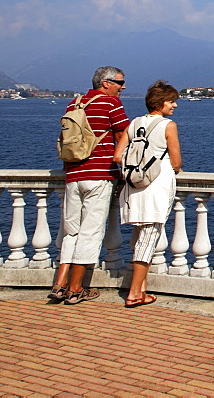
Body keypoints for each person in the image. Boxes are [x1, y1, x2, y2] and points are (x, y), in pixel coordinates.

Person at [50, 66, 130, 305]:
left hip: (73, 175)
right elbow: (123, 137)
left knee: (71, 231)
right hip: (99, 176)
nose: (123, 86)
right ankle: (76, 289)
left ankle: (59, 284)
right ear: (105, 83)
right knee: (90, 232)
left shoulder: (74, 104)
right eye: (119, 82)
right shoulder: (110, 104)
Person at [115, 80, 183, 308]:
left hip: (134, 186)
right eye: (171, 101)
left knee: (139, 237)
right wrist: (174, 167)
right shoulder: (168, 125)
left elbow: (118, 156)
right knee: (148, 238)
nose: (174, 106)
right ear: (160, 103)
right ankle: (134, 293)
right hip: (156, 186)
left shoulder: (133, 123)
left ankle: (142, 289)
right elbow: (176, 160)